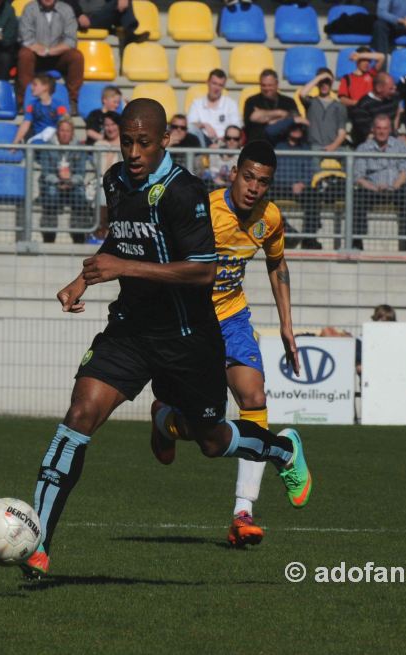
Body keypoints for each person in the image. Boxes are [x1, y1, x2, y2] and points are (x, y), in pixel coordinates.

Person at [19, 98, 312, 579]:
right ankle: (38, 545)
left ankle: (280, 450)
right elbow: (122, 238)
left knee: (213, 441)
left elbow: (202, 273)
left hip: (189, 338)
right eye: (126, 141)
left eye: (143, 143)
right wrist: (86, 276)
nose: (133, 152)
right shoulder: (115, 180)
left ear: (165, 141)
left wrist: (121, 267)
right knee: (79, 416)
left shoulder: (186, 193)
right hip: (131, 329)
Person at [204, 140, 301, 547]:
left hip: (232, 318)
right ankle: (164, 424)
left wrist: (286, 325)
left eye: (263, 182)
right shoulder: (204, 210)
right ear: (234, 173)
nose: (254, 188)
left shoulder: (270, 217)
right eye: (248, 177)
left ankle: (243, 511)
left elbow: (277, 262)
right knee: (199, 428)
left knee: (254, 396)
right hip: (189, 324)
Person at [353, 113, 406, 250]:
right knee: (357, 196)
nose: (382, 131)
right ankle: (357, 239)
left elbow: (405, 170)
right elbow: (358, 176)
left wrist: (394, 186)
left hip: (396, 188)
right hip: (373, 189)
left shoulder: (400, 146)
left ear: (390, 129)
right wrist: (374, 187)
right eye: (378, 128)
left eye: (385, 128)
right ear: (373, 129)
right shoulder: (363, 148)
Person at [16, 0, 84, 113]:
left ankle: (73, 101)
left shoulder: (66, 9)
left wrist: (50, 51)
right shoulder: (30, 8)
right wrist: (41, 50)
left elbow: (71, 40)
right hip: (35, 54)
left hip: (58, 55)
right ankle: (24, 101)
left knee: (76, 56)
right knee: (24, 54)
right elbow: (26, 38)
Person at [37, 117, 89, 243]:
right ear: (57, 132)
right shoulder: (48, 146)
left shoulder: (80, 148)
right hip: (53, 184)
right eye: (62, 130)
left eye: (68, 131)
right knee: (51, 192)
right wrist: (59, 181)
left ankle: (78, 235)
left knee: (81, 193)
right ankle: (49, 236)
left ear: (72, 133)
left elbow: (81, 172)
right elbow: (46, 172)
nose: (65, 134)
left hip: (72, 184)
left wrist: (70, 181)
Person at [274, 123, 323, 250]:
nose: (297, 130)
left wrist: (302, 184)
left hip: (300, 188)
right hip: (280, 186)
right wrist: (290, 185)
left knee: (313, 196)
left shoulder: (306, 149)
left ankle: (309, 239)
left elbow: (310, 172)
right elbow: (275, 172)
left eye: (300, 128)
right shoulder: (279, 147)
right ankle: (288, 231)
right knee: (263, 197)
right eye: (294, 127)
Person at [242, 69, 304, 146]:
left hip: (282, 147)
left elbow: (296, 120)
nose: (267, 88)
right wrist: (281, 113)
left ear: (277, 84)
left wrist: (266, 117)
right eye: (263, 85)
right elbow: (253, 117)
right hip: (257, 146)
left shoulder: (288, 102)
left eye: (270, 85)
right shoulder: (251, 101)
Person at [186, 68, 240, 147]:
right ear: (208, 82)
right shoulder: (197, 103)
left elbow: (236, 127)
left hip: (224, 143)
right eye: (214, 83)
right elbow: (189, 125)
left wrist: (222, 139)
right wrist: (204, 125)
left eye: (220, 85)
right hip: (203, 143)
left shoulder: (231, 104)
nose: (217, 88)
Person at [298, 68, 348, 152]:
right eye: (321, 82)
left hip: (334, 147)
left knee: (349, 156)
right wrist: (320, 77)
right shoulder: (311, 102)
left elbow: (342, 133)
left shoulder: (339, 106)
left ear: (331, 84)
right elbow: (302, 94)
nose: (324, 85)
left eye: (327, 82)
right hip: (313, 146)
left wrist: (333, 146)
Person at [65, 0, 148, 48]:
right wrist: (79, 14)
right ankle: (125, 33)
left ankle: (129, 32)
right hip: (78, 20)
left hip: (99, 17)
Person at [12, 73, 68, 145]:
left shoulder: (59, 105)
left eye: (35, 85)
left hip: (56, 138)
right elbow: (26, 123)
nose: (31, 88)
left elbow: (66, 120)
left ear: (45, 87)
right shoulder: (31, 105)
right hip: (39, 139)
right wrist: (15, 143)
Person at [91, 108, 120, 241]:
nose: (110, 128)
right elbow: (102, 169)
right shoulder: (99, 144)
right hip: (104, 183)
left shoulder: (127, 145)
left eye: (113, 124)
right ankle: (103, 232)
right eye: (107, 125)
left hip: (122, 184)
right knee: (104, 193)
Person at [349, 72, 400, 145]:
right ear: (379, 88)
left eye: (394, 87)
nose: (394, 90)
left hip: (390, 142)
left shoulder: (393, 99)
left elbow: (397, 114)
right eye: (390, 88)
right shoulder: (363, 105)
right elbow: (368, 134)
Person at [200, 124, 240, 192]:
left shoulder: (242, 155)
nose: (231, 141)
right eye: (228, 138)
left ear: (240, 140)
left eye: (235, 139)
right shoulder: (215, 151)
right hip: (212, 189)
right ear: (224, 139)